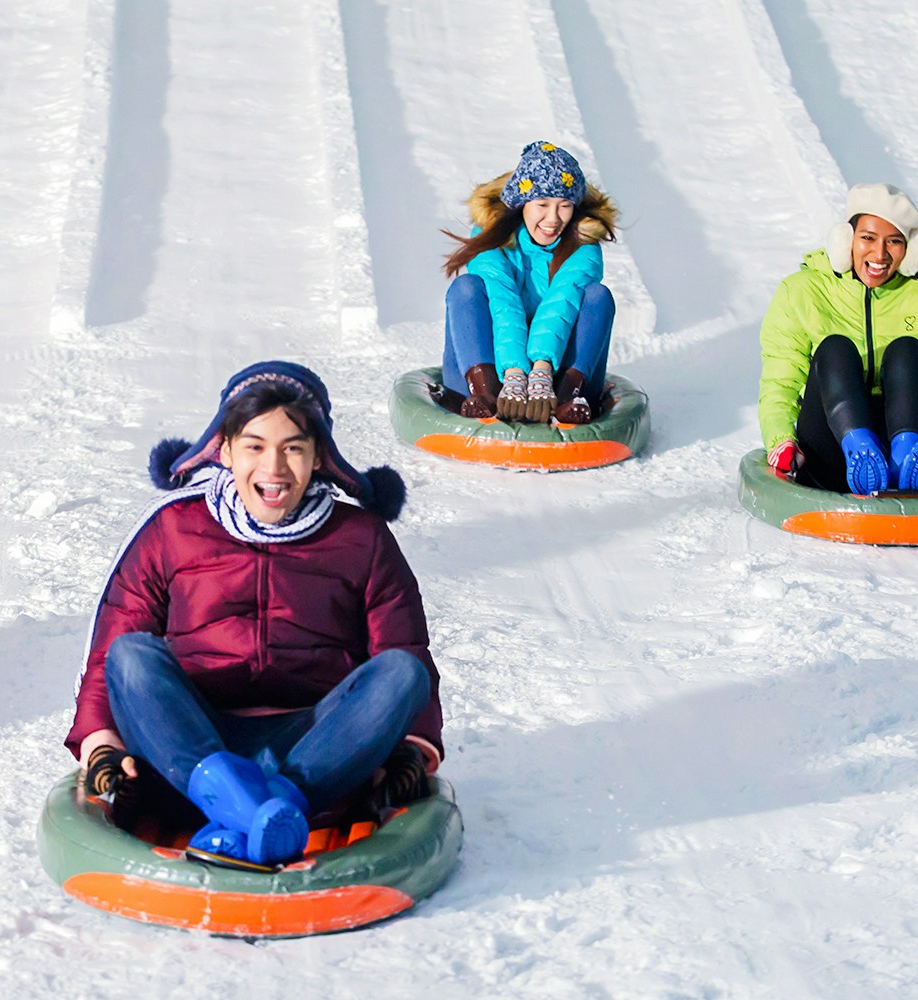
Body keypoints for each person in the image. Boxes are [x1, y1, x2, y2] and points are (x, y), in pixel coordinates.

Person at [65, 362, 443, 866]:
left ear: (318, 457)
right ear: (224, 450)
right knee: (130, 655)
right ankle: (257, 811)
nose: (274, 468)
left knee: (402, 672)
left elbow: (404, 651)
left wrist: (409, 752)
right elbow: (112, 649)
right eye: (255, 446)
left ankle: (258, 810)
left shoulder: (361, 538)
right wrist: (100, 742)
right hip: (192, 739)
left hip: (316, 746)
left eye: (293, 447)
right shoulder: (172, 529)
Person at [758, 183, 918, 495]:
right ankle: (860, 450)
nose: (879, 254)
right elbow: (780, 382)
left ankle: (907, 457)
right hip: (832, 447)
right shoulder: (802, 291)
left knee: (907, 349)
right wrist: (782, 441)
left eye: (894, 242)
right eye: (868, 238)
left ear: (911, 249)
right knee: (834, 348)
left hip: (916, 431)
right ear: (846, 240)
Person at [438, 140, 620, 424]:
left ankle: (570, 395)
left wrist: (542, 372)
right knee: (467, 287)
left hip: (552, 383)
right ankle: (483, 392)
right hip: (491, 371)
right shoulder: (493, 238)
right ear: (522, 203)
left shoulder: (583, 246)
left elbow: (561, 302)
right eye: (542, 204)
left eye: (565, 206)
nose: (553, 218)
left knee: (597, 296)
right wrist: (513, 373)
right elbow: (503, 301)